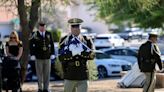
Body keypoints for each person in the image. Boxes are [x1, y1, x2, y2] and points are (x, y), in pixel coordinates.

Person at [58, 18, 95, 92]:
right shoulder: (64, 40)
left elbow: (92, 55)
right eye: (73, 27)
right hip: (70, 74)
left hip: (82, 73)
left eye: (77, 27)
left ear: (80, 28)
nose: (75, 29)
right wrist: (72, 54)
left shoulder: (86, 39)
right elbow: (60, 57)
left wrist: (81, 52)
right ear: (70, 28)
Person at [30, 21, 55, 92]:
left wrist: (52, 53)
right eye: (41, 26)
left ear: (45, 27)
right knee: (39, 74)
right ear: (39, 27)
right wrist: (32, 54)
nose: (42, 28)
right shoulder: (34, 34)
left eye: (44, 26)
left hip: (47, 57)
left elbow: (52, 44)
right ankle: (40, 88)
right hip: (38, 57)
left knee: (47, 74)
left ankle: (46, 88)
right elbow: (31, 45)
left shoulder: (48, 34)